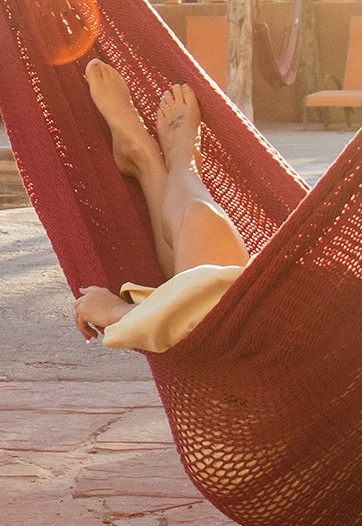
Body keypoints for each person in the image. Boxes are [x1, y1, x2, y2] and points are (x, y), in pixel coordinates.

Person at [73, 59, 251, 352]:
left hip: (244, 338)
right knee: (200, 265)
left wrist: (119, 312)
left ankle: (169, 159)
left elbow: (203, 315)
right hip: (264, 320)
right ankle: (156, 161)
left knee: (199, 222)